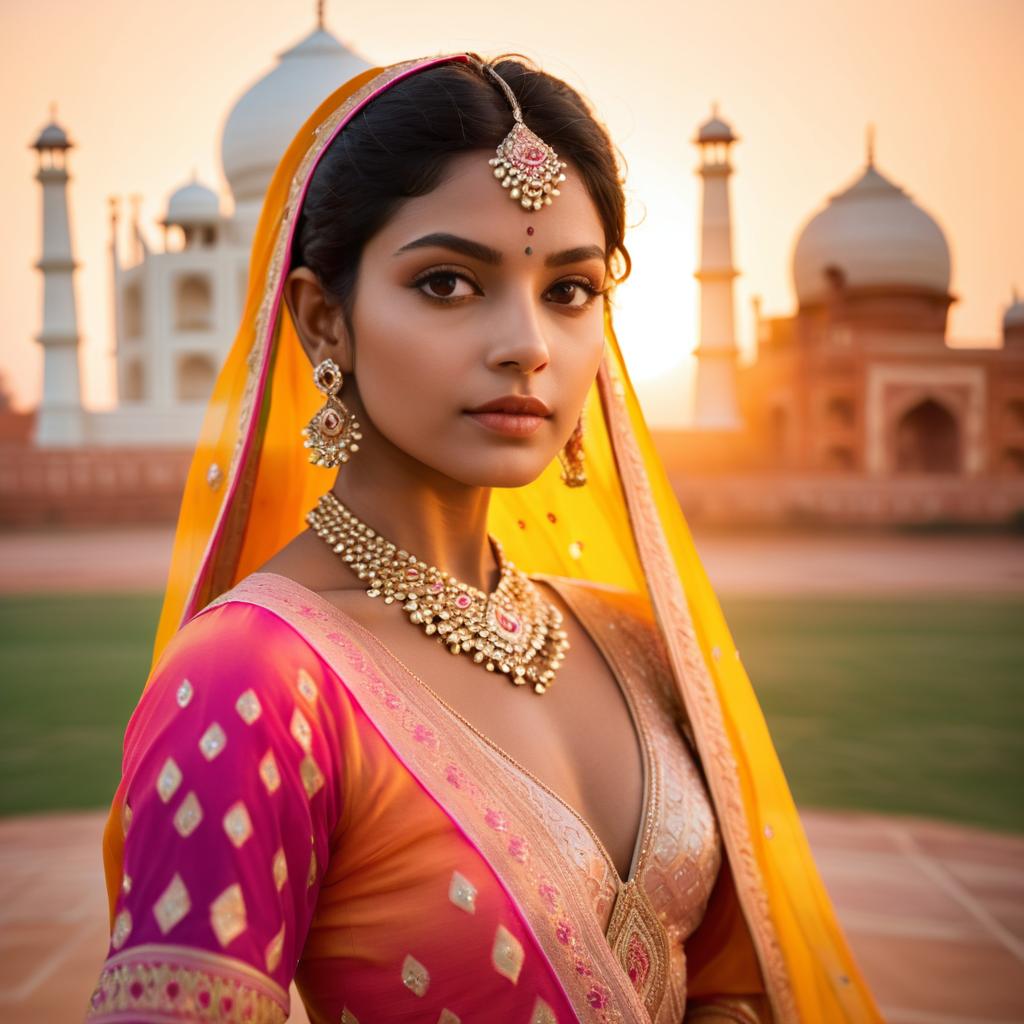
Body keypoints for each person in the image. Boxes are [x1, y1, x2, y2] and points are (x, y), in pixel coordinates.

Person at [86, 53, 882, 1024]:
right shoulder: (252, 676)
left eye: (570, 290)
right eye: (449, 283)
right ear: (324, 321)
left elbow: (729, 984)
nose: (528, 344)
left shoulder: (631, 643)